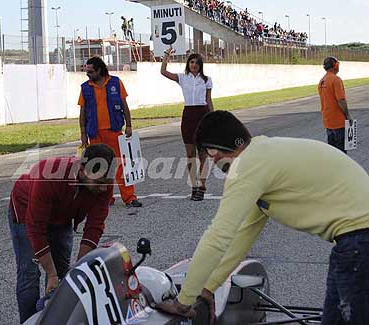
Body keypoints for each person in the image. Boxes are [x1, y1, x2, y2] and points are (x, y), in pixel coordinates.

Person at [157, 111, 369, 325]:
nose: (214, 163)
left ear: (217, 150)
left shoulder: (248, 164)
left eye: (211, 156)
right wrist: (208, 287)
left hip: (359, 243)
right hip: (355, 242)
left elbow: (218, 236)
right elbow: (241, 237)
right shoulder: (262, 154)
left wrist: (184, 301)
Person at [8, 144, 116, 323]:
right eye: (99, 184)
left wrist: (79, 265)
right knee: (30, 274)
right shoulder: (48, 177)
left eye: (107, 183)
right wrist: (51, 273)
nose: (104, 189)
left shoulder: (104, 182)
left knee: (64, 274)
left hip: (62, 216)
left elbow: (94, 226)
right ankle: (28, 321)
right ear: (82, 171)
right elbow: (36, 229)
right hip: (26, 210)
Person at [78, 56, 142, 208]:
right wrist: (83, 134)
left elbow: (124, 105)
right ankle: (105, 198)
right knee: (99, 167)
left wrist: (129, 125)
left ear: (99, 70)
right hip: (94, 134)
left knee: (121, 165)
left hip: (114, 132)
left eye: (91, 71)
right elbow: (83, 111)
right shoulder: (85, 87)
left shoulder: (115, 82)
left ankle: (130, 197)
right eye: (87, 71)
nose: (88, 74)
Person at [161, 48, 214, 201]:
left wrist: (213, 118)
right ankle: (193, 186)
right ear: (188, 64)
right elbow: (163, 71)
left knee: (203, 154)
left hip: (203, 114)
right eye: (191, 62)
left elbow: (208, 100)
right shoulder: (183, 78)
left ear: (200, 65)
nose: (194, 65)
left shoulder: (207, 80)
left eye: (197, 63)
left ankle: (202, 185)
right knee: (190, 153)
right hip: (189, 115)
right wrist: (167, 55)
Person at [318, 56, 351, 153]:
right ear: (335, 65)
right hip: (338, 121)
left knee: (333, 152)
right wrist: (348, 115)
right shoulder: (336, 80)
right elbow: (341, 100)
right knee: (341, 152)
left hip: (328, 120)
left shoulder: (322, 81)